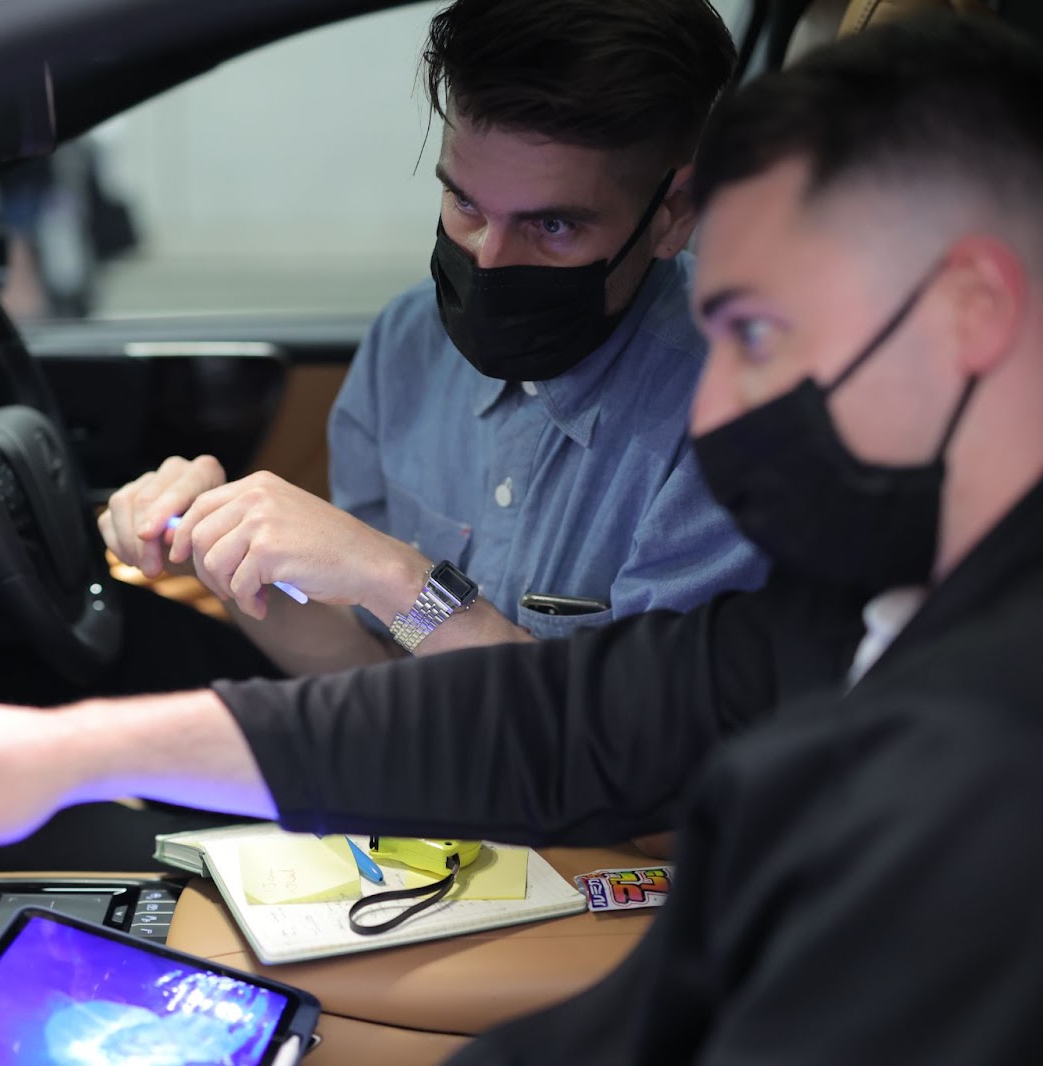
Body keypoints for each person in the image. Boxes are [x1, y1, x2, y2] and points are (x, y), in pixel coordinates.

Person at [0, 14, 1043, 1063]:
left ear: (973, 315)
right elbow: (555, 719)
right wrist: (71, 754)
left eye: (754, 335)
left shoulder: (1027, 775)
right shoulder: (898, 618)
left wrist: (397, 581)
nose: (723, 403)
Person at [97, 0, 765, 680]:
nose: (489, 259)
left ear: (674, 214)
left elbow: (637, 748)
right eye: (466, 204)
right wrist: (225, 552)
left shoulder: (735, 417)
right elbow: (383, 673)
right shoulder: (408, 344)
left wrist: (394, 576)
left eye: (554, 227)